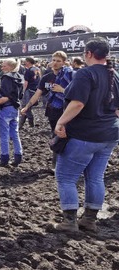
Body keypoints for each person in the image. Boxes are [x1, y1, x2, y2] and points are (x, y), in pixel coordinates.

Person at [51, 38, 119, 232]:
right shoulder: (115, 75)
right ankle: (89, 220)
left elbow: (78, 103)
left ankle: (69, 221)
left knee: (66, 177)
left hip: (85, 134)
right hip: (109, 135)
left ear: (88, 54)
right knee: (96, 177)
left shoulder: (85, 74)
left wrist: (61, 122)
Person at [20, 51, 73, 168]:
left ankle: (62, 164)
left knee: (67, 136)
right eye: (54, 60)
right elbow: (38, 94)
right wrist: (27, 106)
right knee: (56, 135)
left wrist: (62, 90)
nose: (55, 63)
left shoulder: (70, 75)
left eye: (58, 61)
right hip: (53, 110)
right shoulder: (46, 77)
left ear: (64, 62)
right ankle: (56, 164)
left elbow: (76, 93)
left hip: (67, 110)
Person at [0, 58, 24, 167]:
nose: (2, 68)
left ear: (10, 67)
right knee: (15, 133)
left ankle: (4, 157)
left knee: (4, 134)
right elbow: (20, 95)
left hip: (6, 107)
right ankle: (18, 155)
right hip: (15, 107)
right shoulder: (20, 77)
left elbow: (4, 93)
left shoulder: (6, 77)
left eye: (4, 66)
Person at [20, 57, 41, 127]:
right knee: (27, 106)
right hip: (36, 90)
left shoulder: (28, 71)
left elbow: (26, 82)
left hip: (29, 90)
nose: (24, 62)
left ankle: (31, 122)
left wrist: (23, 91)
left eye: (25, 61)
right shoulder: (38, 69)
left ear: (28, 62)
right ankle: (21, 123)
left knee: (25, 106)